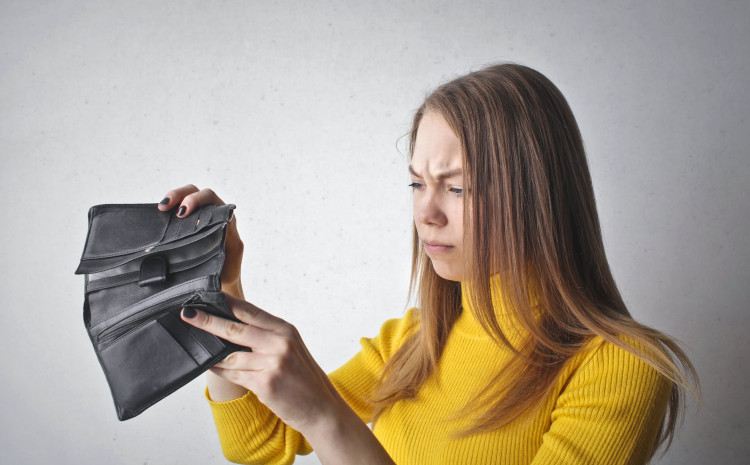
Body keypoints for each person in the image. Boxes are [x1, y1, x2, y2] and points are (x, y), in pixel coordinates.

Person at [158, 63, 698, 465]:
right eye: (417, 184)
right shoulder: (414, 341)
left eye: (457, 188)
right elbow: (258, 441)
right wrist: (220, 286)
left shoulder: (620, 367)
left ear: (538, 198)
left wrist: (326, 414)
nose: (425, 213)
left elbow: (309, 423)